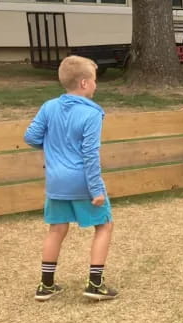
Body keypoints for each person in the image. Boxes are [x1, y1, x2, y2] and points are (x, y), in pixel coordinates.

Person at [24, 55, 117, 301]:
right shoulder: (92, 114)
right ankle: (95, 284)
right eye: (95, 80)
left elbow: (31, 137)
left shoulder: (49, 106)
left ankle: (46, 285)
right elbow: (90, 154)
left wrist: (54, 150)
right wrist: (96, 189)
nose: (96, 85)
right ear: (85, 83)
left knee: (56, 229)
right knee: (104, 225)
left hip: (55, 181)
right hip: (83, 181)